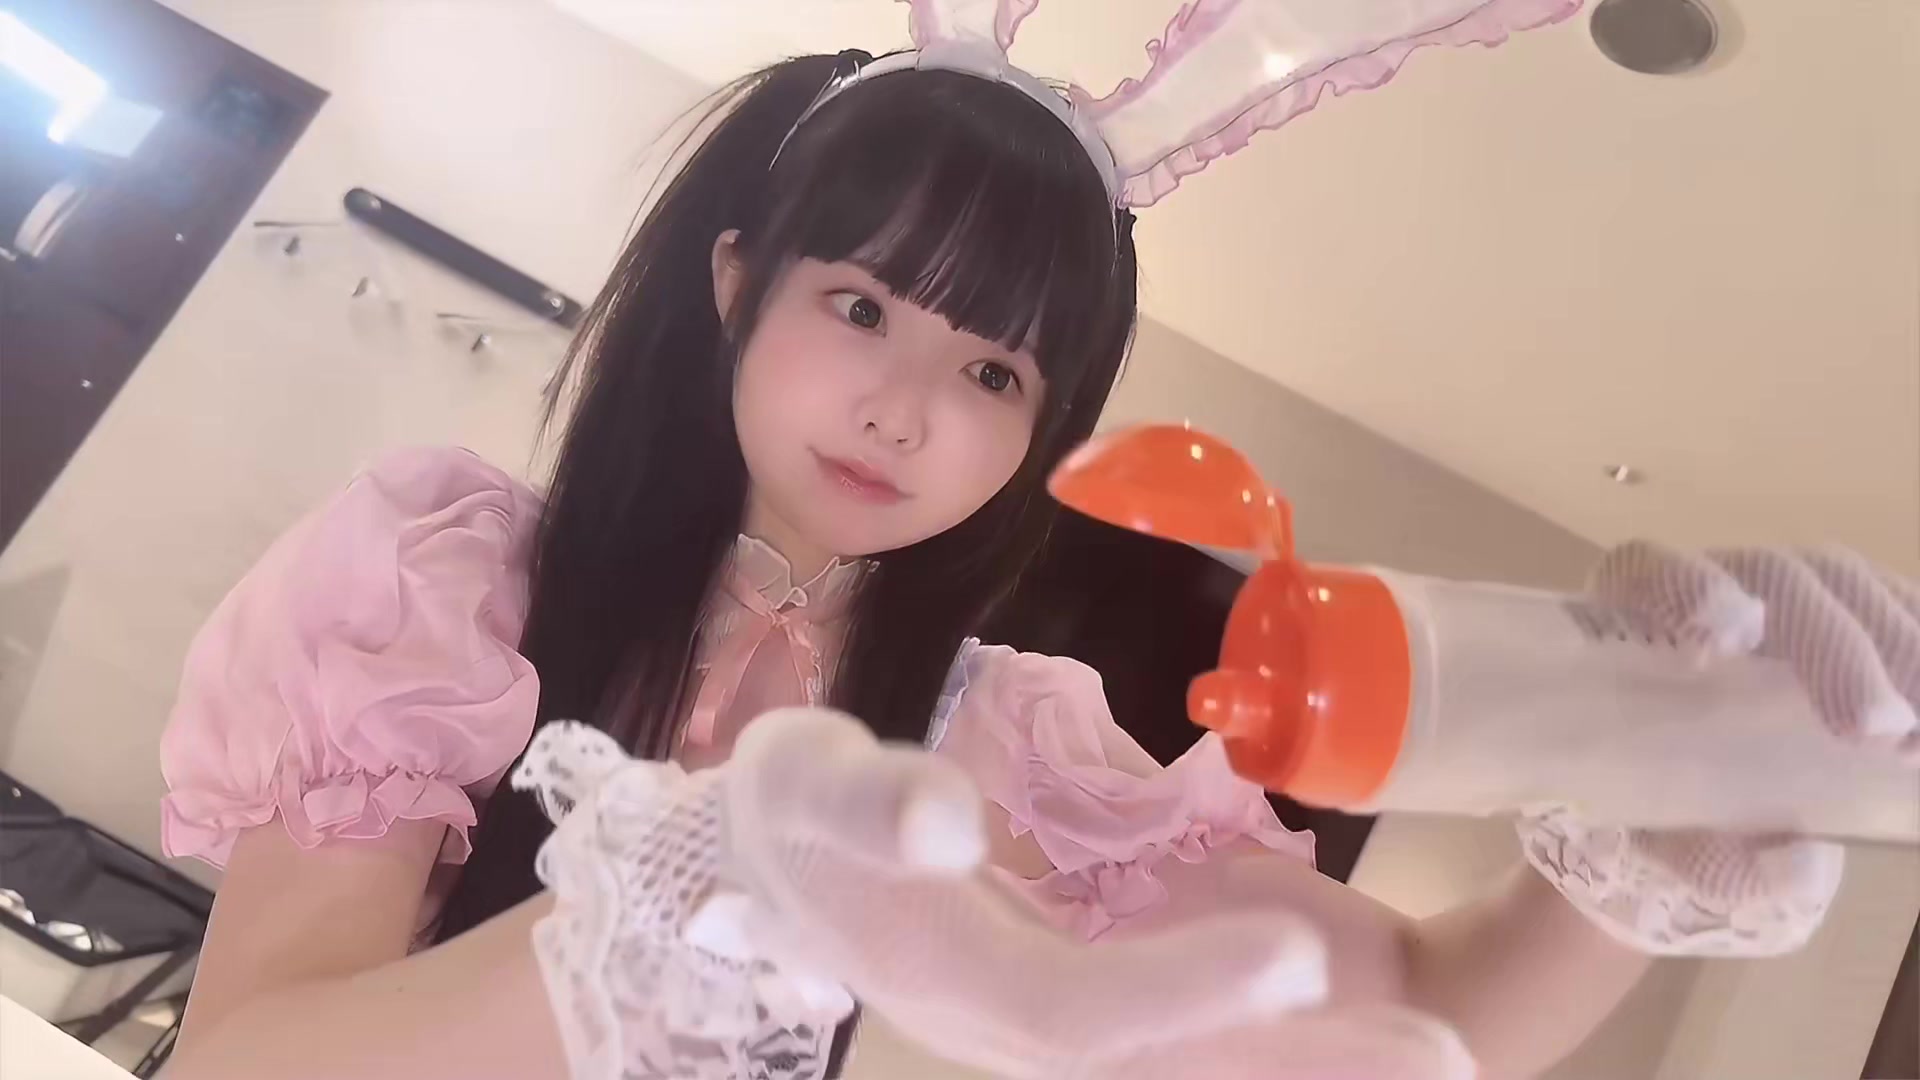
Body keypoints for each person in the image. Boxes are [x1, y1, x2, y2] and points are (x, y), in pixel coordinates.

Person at [152, 11, 1915, 1080]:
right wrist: (687, 889)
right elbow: (248, 1058)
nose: (906, 410)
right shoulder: (447, 587)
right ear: (737, 280)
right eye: (863, 306)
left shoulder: (999, 742)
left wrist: (1654, 827)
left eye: (993, 369)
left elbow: (1419, 1019)